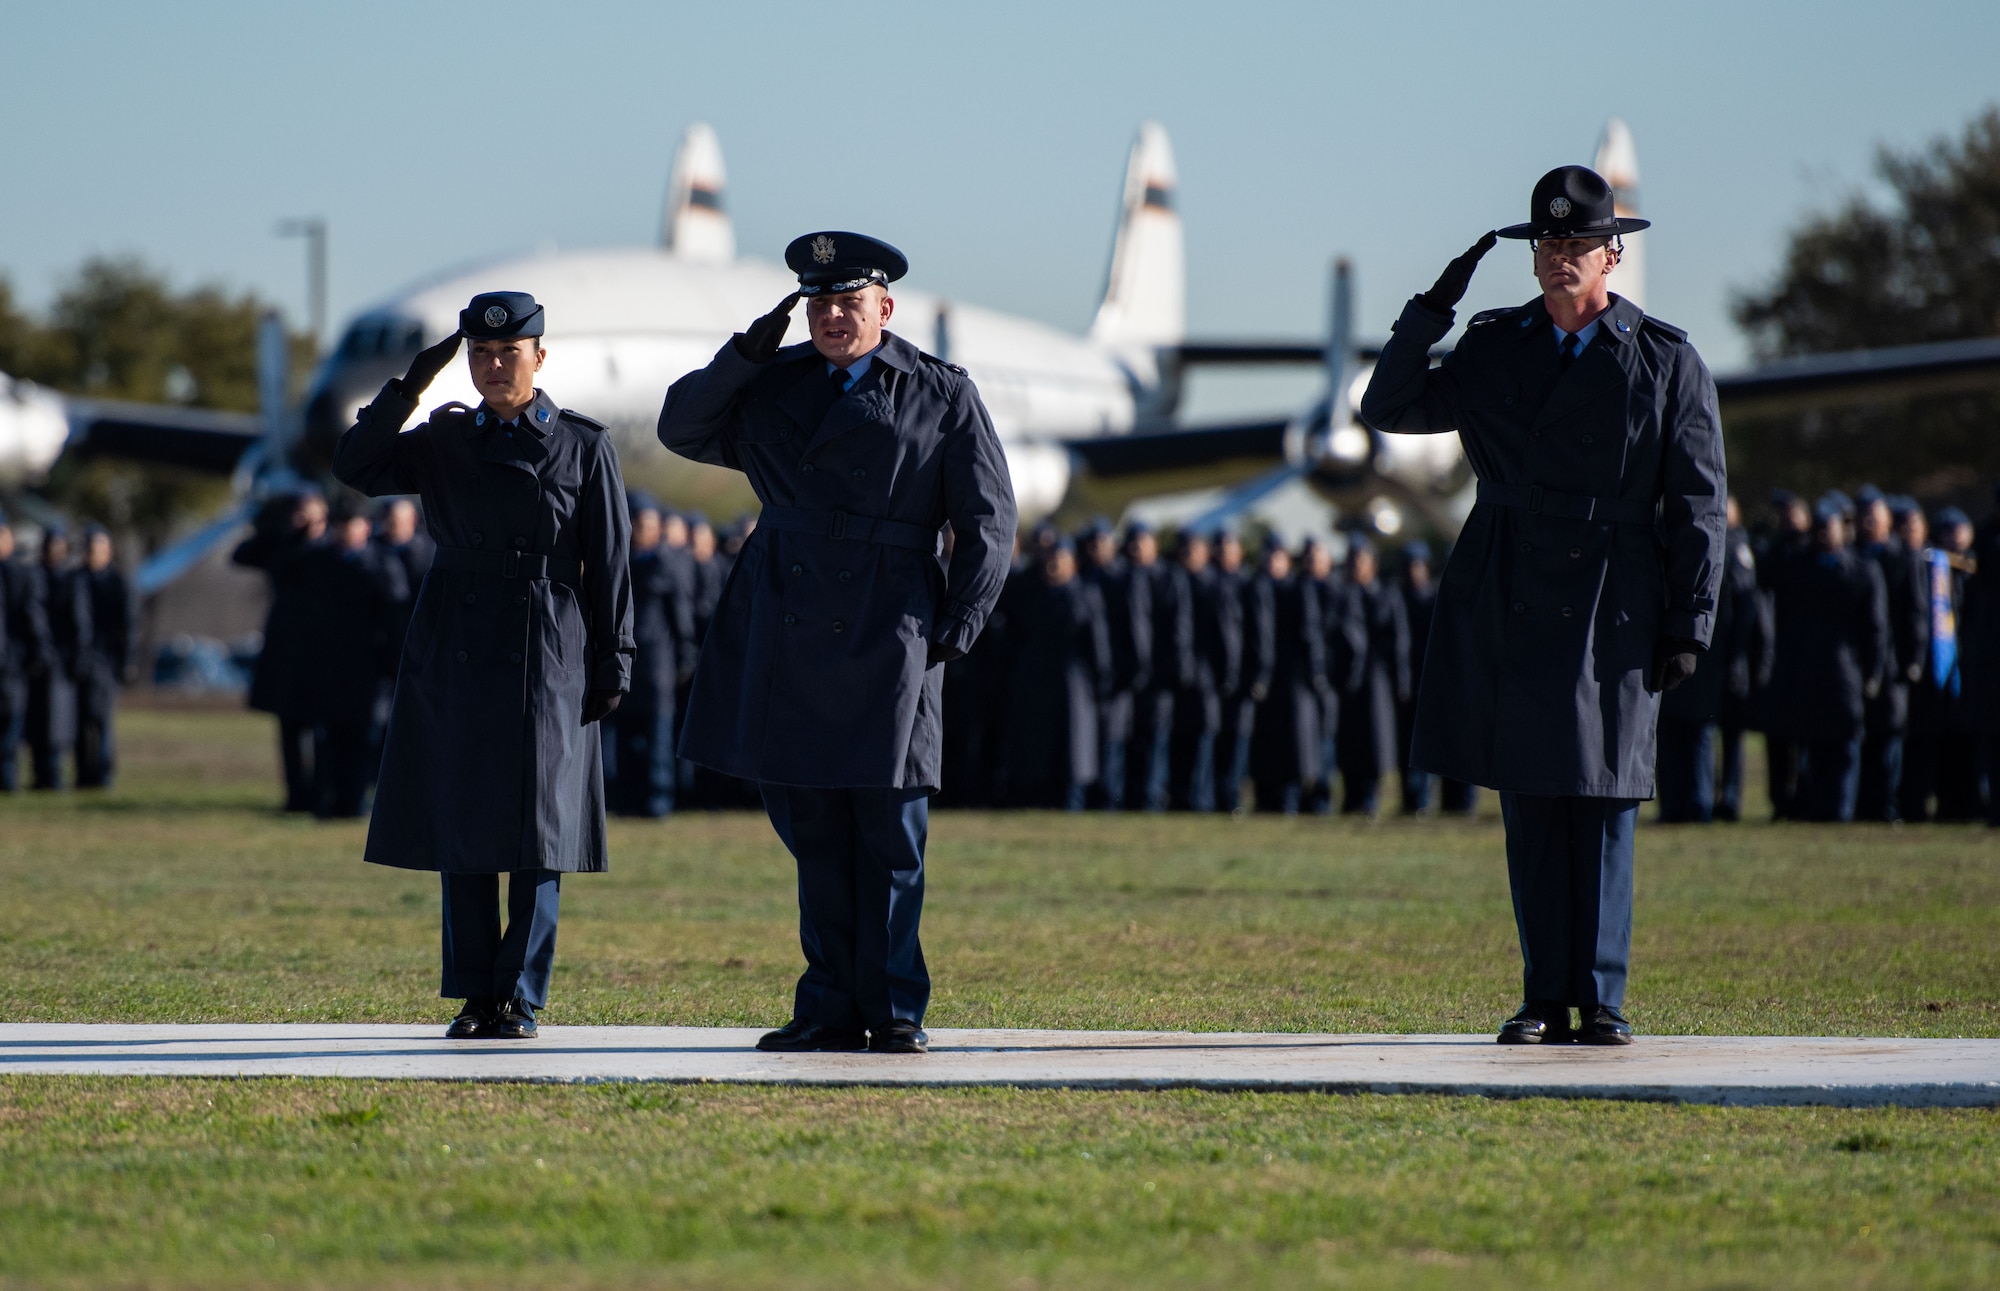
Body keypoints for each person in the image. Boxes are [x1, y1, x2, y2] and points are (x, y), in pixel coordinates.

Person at [1360, 165, 1726, 1045]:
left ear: (1613, 256)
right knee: (1529, 799)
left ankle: (1601, 997)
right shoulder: (1493, 346)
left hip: (1616, 589)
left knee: (1602, 798)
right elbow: (1389, 405)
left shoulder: (1664, 359)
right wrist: (1434, 306)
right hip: (1513, 580)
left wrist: (1692, 618)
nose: (1561, 258)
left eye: (1576, 245)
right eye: (1546, 245)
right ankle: (1542, 996)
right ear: (1533, 261)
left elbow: (1700, 502)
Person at [657, 232, 1015, 1054]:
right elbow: (682, 425)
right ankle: (825, 1006)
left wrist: (955, 627)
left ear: (883, 309)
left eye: (846, 303)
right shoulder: (771, 384)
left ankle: (893, 1007)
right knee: (810, 828)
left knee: (890, 836)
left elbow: (989, 520)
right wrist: (746, 352)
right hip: (786, 619)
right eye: (816, 304)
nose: (829, 317)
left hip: (893, 631)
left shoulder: (938, 393)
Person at [333, 290, 634, 1041]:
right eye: (480, 355)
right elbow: (355, 464)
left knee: (541, 830)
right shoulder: (443, 438)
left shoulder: (582, 445)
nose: (494, 366)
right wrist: (408, 387)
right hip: (455, 636)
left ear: (539, 356)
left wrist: (613, 655)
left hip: (549, 641)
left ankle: (520, 995)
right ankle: (475, 994)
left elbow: (613, 563)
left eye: (508, 353)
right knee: (461, 826)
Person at [1765, 496, 1889, 822]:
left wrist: (1873, 673)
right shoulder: (1798, 568)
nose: (1823, 535)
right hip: (1807, 669)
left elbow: (1876, 628)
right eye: (1818, 528)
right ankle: (1815, 807)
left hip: (1846, 670)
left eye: (1828, 528)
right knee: (1812, 744)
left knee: (1845, 744)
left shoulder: (1862, 572)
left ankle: (1841, 809)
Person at [300, 504, 408, 817]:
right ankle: (324, 799)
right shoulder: (319, 562)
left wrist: (392, 663)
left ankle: (354, 801)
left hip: (368, 667)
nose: (347, 531)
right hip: (327, 665)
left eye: (354, 524)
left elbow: (395, 618)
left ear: (365, 528)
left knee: (363, 737)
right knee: (326, 736)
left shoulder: (382, 565)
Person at [233, 490, 329, 811]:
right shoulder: (280, 546)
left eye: (310, 514)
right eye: (298, 514)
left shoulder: (330, 551)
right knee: (289, 728)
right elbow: (241, 555)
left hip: (320, 651)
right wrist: (277, 526)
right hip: (286, 650)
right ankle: (295, 795)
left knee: (323, 729)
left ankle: (320, 793)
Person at [1003, 539, 1110, 809]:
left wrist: (1100, 680)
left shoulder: (1085, 595)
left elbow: (1097, 645)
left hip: (1074, 685)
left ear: (1073, 563)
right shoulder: (1032, 597)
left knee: (1073, 748)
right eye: (1049, 560)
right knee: (1040, 749)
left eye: (1059, 559)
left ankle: (1072, 802)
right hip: (1038, 684)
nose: (1053, 565)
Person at [610, 494, 695, 817]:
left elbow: (681, 614)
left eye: (649, 524)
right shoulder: (622, 561)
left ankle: (659, 799)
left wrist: (685, 656)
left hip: (658, 662)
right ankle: (628, 800)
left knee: (658, 732)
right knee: (626, 733)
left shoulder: (666, 563)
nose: (643, 530)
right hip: (626, 658)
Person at [1853, 486, 1929, 821]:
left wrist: (1914, 659)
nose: (1869, 521)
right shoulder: (1853, 556)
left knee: (1890, 734)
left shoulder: (1903, 558)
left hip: (1894, 663)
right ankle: (1862, 805)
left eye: (1875, 514)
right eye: (1864, 515)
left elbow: (1916, 612)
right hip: (1857, 663)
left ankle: (1887, 804)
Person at [1329, 535, 1409, 815]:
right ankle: (1350, 796)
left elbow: (1398, 641)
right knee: (1348, 740)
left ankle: (1369, 798)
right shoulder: (1339, 595)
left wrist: (1401, 680)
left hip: (1376, 680)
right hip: (1347, 681)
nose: (1354, 566)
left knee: (1374, 739)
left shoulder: (1384, 595)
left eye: (1359, 560)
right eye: (1350, 560)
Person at [1248, 541, 1326, 814]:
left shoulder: (1298, 589)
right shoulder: (1256, 587)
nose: (1272, 564)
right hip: (1266, 681)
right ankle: (1266, 800)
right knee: (1266, 745)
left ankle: (1291, 800)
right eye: (1268, 558)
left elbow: (1310, 634)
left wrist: (1313, 672)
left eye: (1278, 558)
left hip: (1293, 679)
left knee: (1293, 747)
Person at [1079, 520, 1147, 809]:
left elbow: (1136, 629)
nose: (1097, 548)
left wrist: (1133, 672)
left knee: (1112, 740)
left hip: (1116, 675)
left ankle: (1110, 800)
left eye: (1102, 542)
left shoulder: (1124, 579)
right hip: (1086, 675)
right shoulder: (1083, 577)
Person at [1168, 530, 1238, 812]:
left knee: (1202, 740)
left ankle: (1200, 799)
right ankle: (1181, 797)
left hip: (1205, 678)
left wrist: (1226, 674)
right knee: (1180, 741)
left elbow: (1226, 636)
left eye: (1194, 549)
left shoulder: (1215, 587)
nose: (1188, 555)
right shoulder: (1173, 583)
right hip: (1177, 678)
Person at [1125, 521, 1189, 812]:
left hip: (1159, 675)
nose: (1138, 547)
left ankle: (1152, 798)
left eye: (1144, 540)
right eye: (1133, 541)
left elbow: (1178, 628)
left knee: (1156, 738)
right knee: (1129, 738)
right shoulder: (1121, 576)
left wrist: (1175, 669)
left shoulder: (1168, 578)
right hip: (1127, 677)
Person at [26, 526, 91, 791]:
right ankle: (39, 774)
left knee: (58, 722)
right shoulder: (33, 576)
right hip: (34, 660)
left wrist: (75, 655)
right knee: (35, 722)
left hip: (61, 661)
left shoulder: (71, 581)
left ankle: (55, 775)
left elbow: (79, 622)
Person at [75, 525, 137, 789]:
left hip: (106, 661)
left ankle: (103, 776)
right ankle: (83, 775)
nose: (92, 554)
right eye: (89, 549)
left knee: (101, 719)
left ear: (108, 551)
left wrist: (126, 662)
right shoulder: (76, 580)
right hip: (78, 659)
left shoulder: (119, 583)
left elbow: (129, 626)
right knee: (78, 720)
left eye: (97, 548)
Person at [0, 510, 54, 791]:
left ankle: (7, 780)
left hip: (11, 665)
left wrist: (38, 655)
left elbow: (34, 618)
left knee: (10, 724)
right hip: (12, 664)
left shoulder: (20, 575)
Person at [1213, 530, 1265, 814]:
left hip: (1242, 678)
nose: (1223, 553)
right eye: (1219, 548)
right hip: (1214, 679)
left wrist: (1258, 674)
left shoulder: (1249, 585)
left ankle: (1234, 799)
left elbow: (1259, 634)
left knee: (1238, 741)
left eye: (1228, 547)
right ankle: (1217, 798)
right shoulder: (1210, 583)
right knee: (1217, 740)